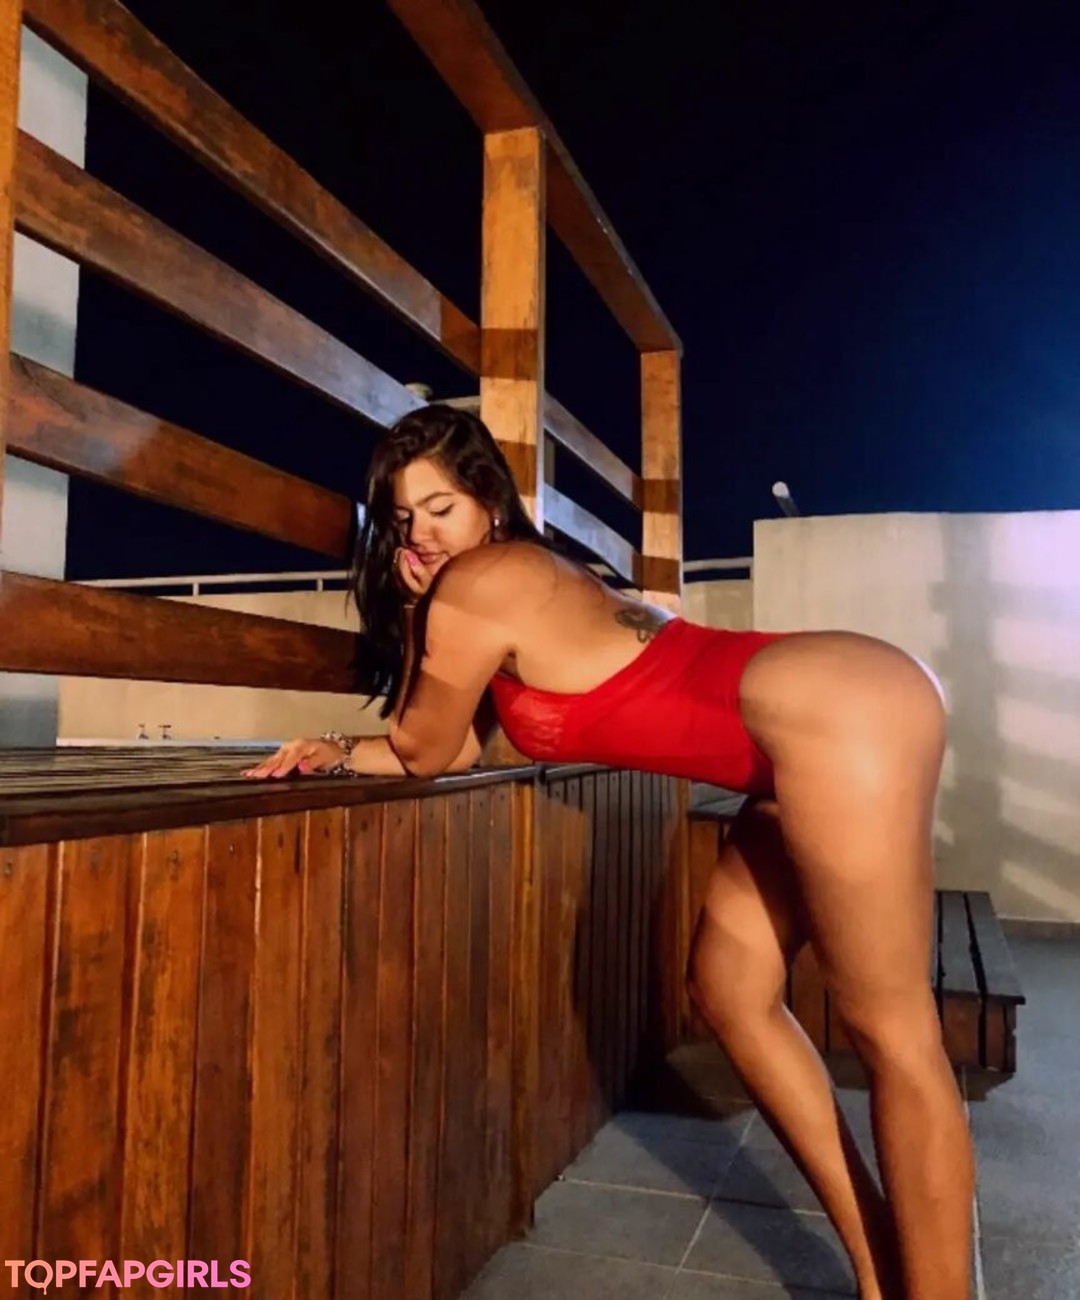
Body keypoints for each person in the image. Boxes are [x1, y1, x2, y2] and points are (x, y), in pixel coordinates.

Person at [243, 404, 973, 1300]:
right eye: (402, 519)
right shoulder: (527, 580)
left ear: (488, 503)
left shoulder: (479, 584)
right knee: (731, 991)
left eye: (439, 509)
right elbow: (461, 745)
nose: (420, 535)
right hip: (795, 731)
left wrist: (403, 621)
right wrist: (333, 748)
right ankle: (882, 1271)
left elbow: (421, 750)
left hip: (837, 710)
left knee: (893, 1032)